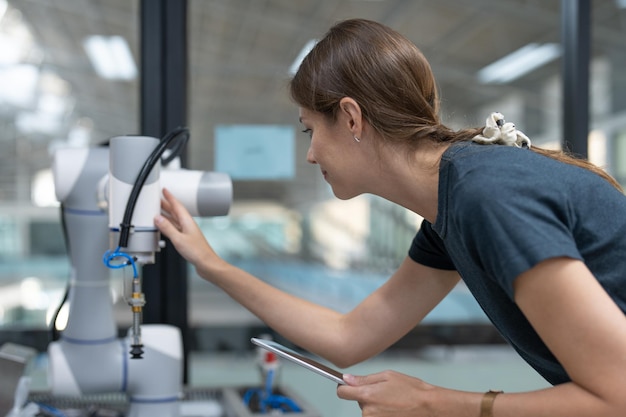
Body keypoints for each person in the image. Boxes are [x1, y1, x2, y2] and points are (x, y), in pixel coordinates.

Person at [155, 18, 626, 417]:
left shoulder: (485, 196)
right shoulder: (449, 212)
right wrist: (212, 265)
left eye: (310, 130)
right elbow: (349, 336)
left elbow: (617, 394)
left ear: (352, 118)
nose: (311, 155)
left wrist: (432, 401)